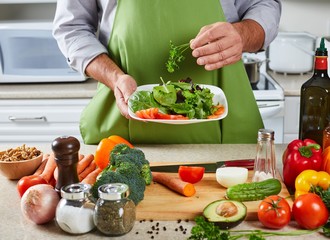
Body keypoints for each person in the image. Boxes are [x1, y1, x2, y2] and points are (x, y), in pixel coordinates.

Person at [53, 0, 282, 145]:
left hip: (225, 133)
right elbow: (71, 28)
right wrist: (115, 78)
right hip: (124, 130)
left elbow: (264, 5)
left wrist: (242, 34)